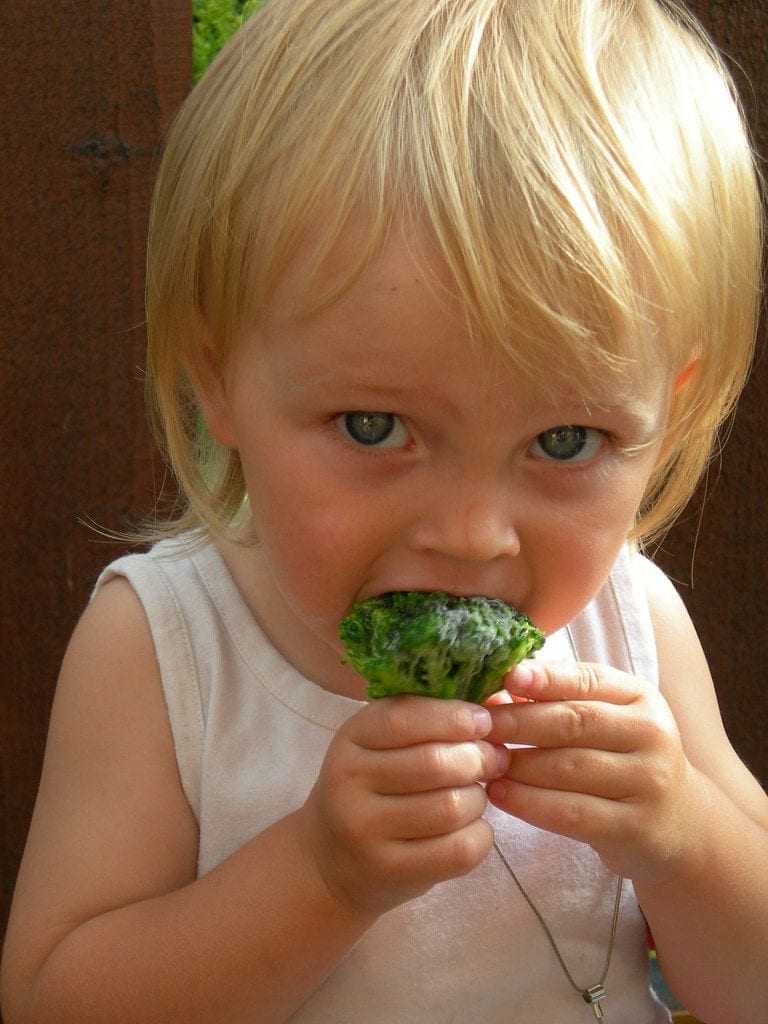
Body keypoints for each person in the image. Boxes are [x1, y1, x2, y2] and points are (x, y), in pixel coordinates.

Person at [2, 0, 767, 1020]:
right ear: (218, 377)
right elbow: (59, 999)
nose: (471, 533)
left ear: (664, 416)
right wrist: (319, 878)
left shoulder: (635, 630)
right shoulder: (167, 651)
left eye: (565, 442)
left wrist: (684, 837)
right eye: (373, 426)